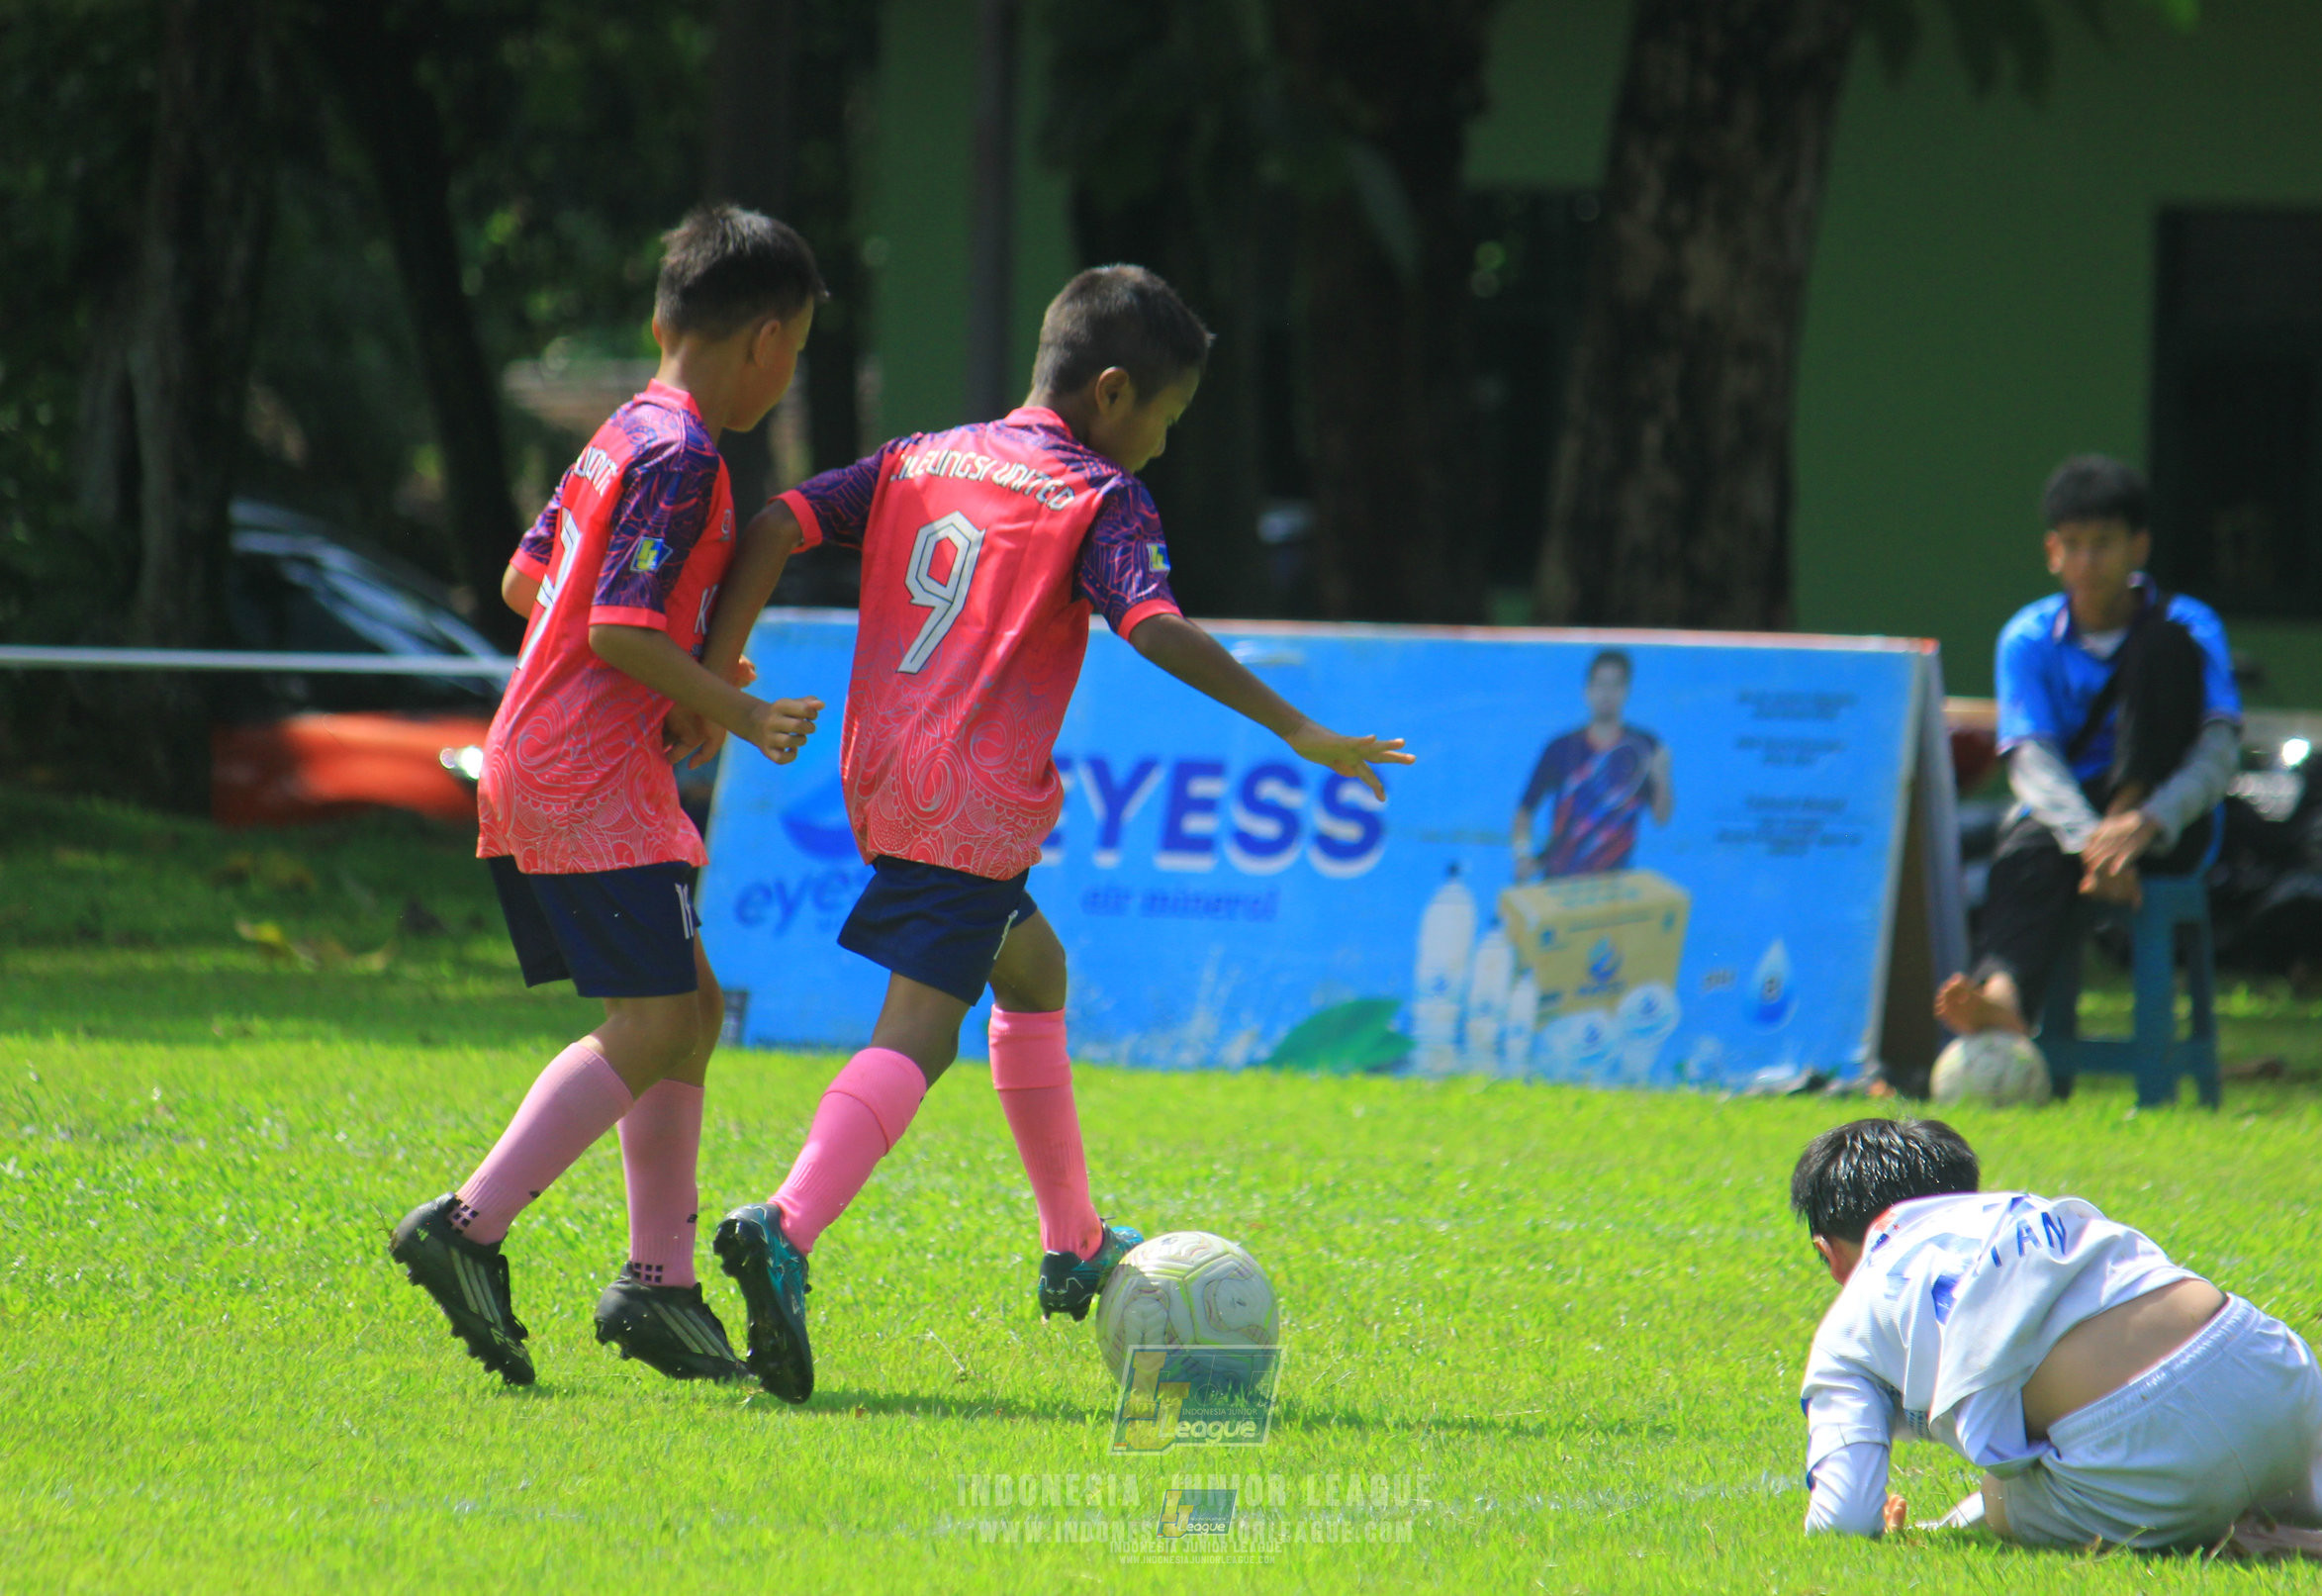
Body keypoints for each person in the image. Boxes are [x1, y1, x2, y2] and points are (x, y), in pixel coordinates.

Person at [696, 264, 1413, 1404]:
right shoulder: (1096, 493)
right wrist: (1297, 727)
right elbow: (1154, 624)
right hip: (971, 796)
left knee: (1033, 969)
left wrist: (715, 668)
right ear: (1115, 391)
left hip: (885, 773)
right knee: (921, 1034)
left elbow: (781, 516)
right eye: (1166, 421)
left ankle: (1073, 1238)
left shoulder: (919, 455)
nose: (1164, 449)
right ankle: (785, 1224)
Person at [387, 206, 827, 1387]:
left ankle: (657, 1284)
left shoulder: (621, 434)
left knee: (686, 1004)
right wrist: (733, 704)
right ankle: (467, 1224)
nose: (788, 379)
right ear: (769, 341)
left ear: (658, 320)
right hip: (588, 771)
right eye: (797, 356)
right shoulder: (687, 457)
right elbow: (617, 624)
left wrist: (677, 670)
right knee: (651, 1020)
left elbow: (530, 583)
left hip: (561, 755)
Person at [1792, 1118, 2322, 1554]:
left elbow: (1841, 1521)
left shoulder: (1849, 1323)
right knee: (2320, 1448)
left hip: (2139, 1444)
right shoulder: (2022, 1208)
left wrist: (1926, 1536)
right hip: (2265, 1360)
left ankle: (2268, 1542)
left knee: (2004, 1495)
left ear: (1829, 1253)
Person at [1935, 455, 2241, 1040]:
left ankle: (2128, 808)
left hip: (2170, 818)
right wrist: (2093, 841)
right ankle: (2004, 995)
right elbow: (2031, 759)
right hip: (2071, 821)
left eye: (2104, 543)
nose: (2087, 561)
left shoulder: (2191, 625)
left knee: (2162, 645)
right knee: (2020, 852)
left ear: (2138, 547)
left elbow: (2217, 754)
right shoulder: (2028, 637)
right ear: (2052, 552)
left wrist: (2144, 821)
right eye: (2073, 544)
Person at [1512, 648, 1673, 881]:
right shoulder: (1560, 748)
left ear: (1626, 691)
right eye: (1600, 685)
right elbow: (1524, 811)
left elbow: (1661, 818)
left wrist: (1662, 778)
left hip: (1616, 890)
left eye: (1615, 685)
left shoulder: (1645, 746)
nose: (1606, 694)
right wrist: (1522, 856)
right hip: (1559, 883)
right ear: (1587, 691)